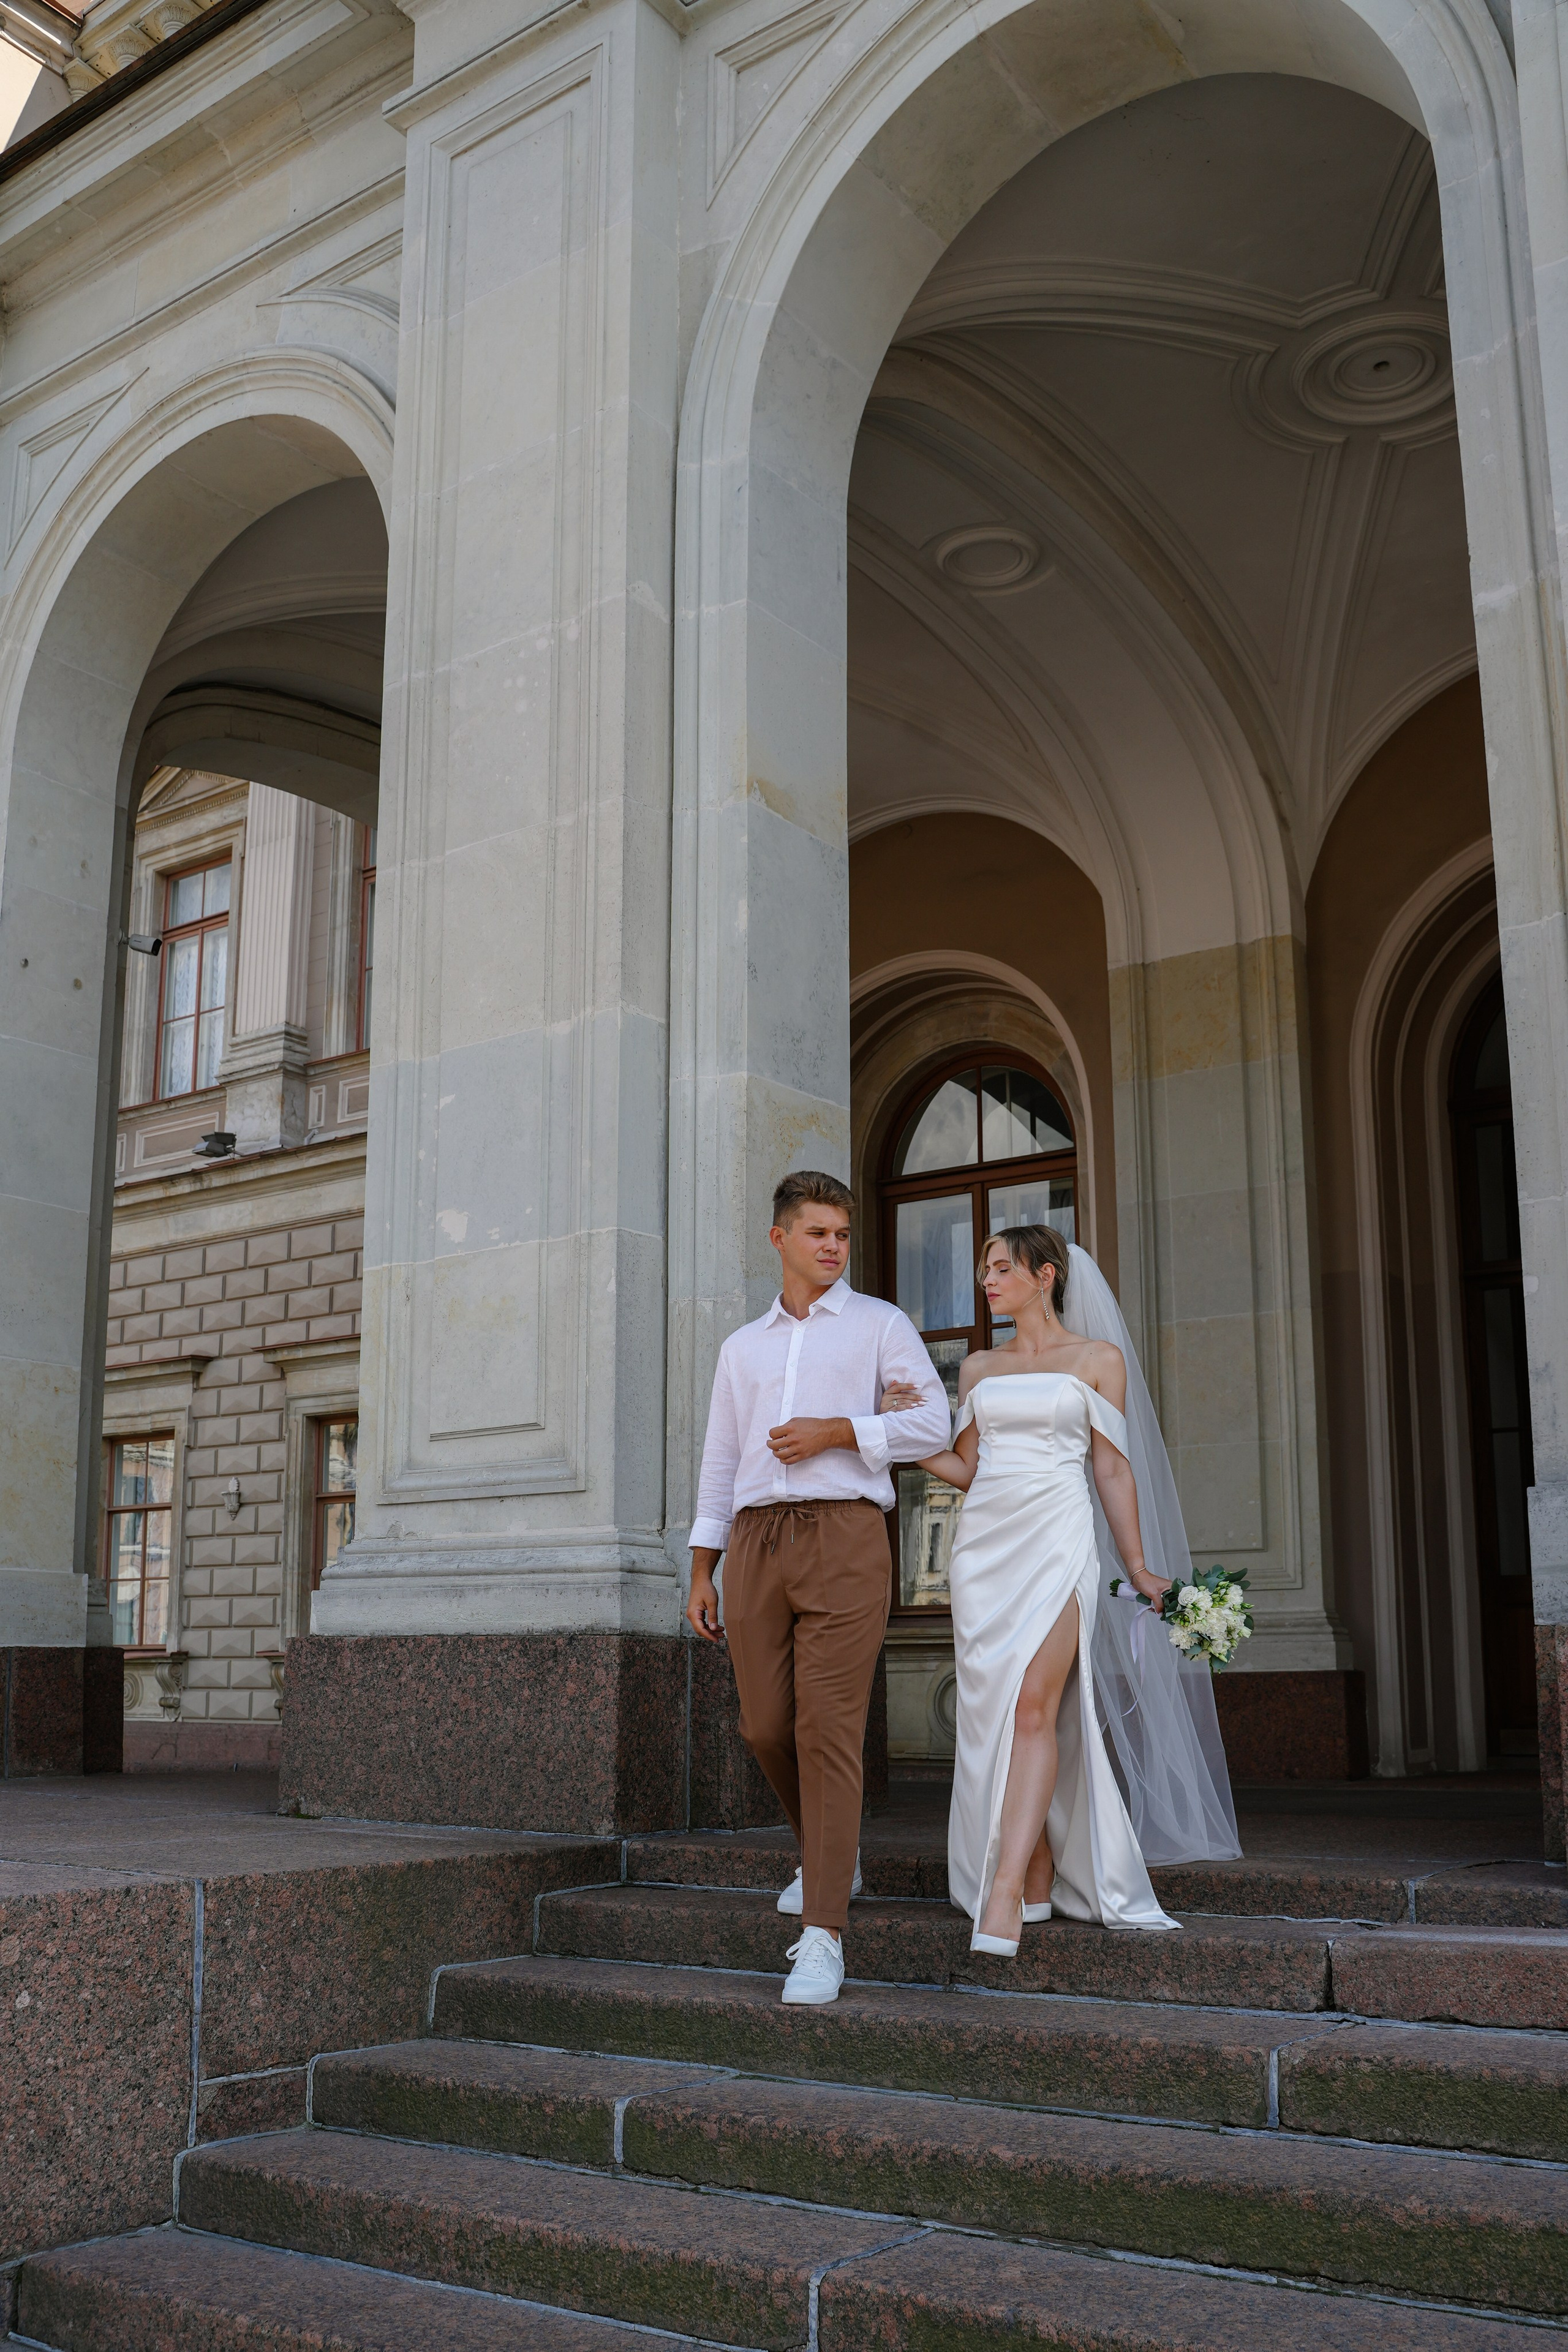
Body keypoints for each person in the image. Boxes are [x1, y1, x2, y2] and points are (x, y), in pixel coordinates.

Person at [915, 1226, 1238, 1952]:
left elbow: (1112, 1470)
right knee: (996, 1717)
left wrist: (1138, 1565)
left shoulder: (1098, 1361)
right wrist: (888, 1437)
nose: (988, 1281)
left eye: (1002, 1268)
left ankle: (1001, 1894)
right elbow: (967, 1469)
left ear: (1046, 1276)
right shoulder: (976, 1368)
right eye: (983, 1270)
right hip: (983, 1555)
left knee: (1035, 1706)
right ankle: (1034, 1875)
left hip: (1058, 1544)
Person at [687, 1170, 951, 2005]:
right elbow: (722, 1459)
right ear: (780, 1239)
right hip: (757, 1540)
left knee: (828, 1730)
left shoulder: (881, 1325)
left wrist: (840, 1430)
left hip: (844, 1535)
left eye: (842, 1234)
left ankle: (823, 1935)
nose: (833, 1246)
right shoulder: (744, 1347)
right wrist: (703, 1567)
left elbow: (933, 1423)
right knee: (766, 1726)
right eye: (817, 1233)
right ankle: (831, 1854)